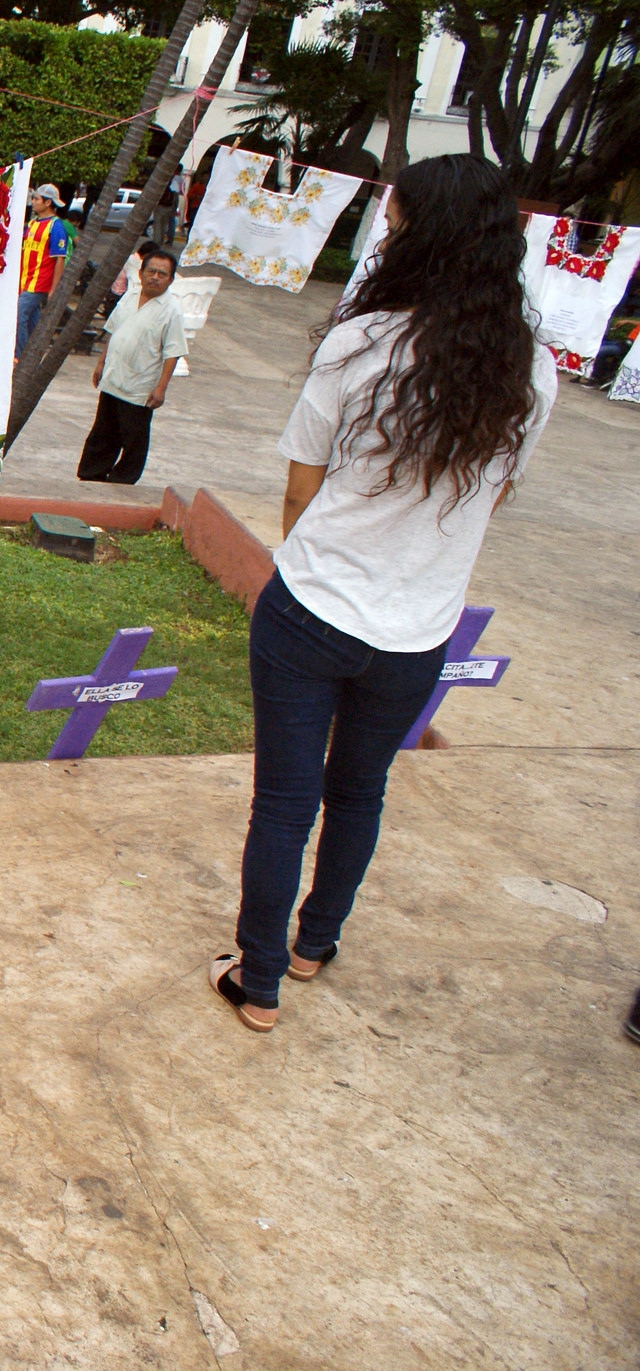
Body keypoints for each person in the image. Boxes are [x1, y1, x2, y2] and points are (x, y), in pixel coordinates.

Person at [209, 154, 556, 1032]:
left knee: (284, 802)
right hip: (419, 627)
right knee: (359, 792)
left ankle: (257, 982)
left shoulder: (362, 342)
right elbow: (498, 493)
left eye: (393, 222)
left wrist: (321, 570)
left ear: (417, 233)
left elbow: (299, 489)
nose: (385, 235)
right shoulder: (535, 370)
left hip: (315, 605)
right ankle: (313, 945)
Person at [78, 246, 185, 485]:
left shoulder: (171, 311)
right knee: (103, 431)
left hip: (140, 386)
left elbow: (173, 352)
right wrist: (100, 363)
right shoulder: (129, 296)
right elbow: (114, 331)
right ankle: (92, 473)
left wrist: (161, 388)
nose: (155, 277)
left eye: (162, 274)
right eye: (152, 271)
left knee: (133, 436)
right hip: (113, 376)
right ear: (141, 273)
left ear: (170, 279)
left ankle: (123, 480)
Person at [15, 184, 73, 356]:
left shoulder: (56, 227)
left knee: (19, 316)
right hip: (25, 280)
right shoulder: (32, 223)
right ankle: (33, 353)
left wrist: (54, 289)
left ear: (48, 203)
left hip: (39, 283)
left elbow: (59, 259)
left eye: (36, 199)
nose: (32, 202)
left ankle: (20, 355)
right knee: (32, 320)